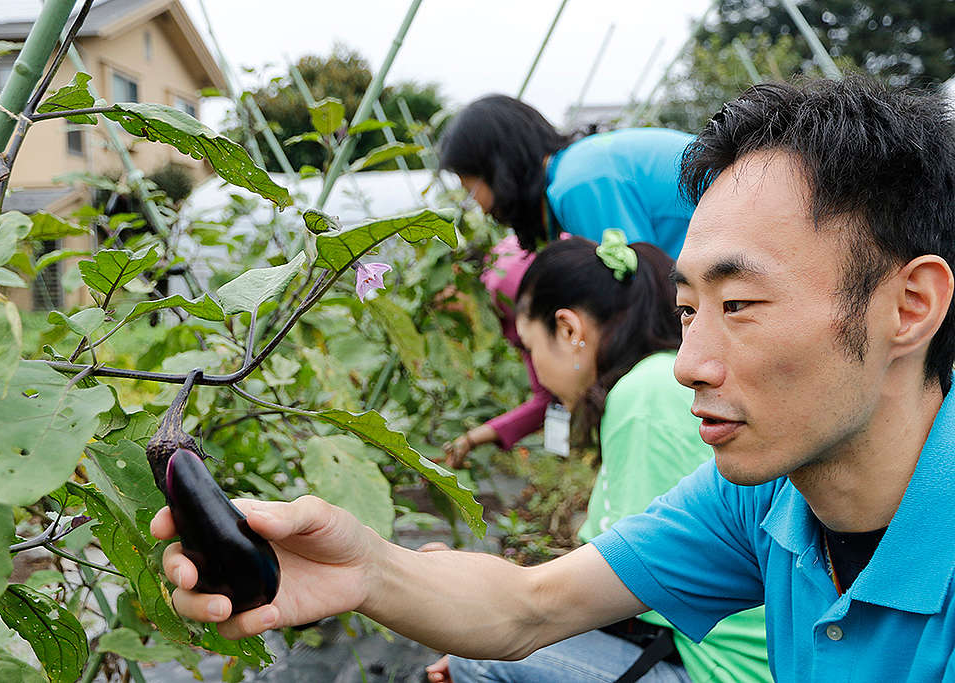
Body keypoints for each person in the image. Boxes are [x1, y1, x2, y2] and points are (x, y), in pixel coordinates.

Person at [153, 77, 955, 680]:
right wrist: (365, 567)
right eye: (684, 311)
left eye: (738, 303)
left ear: (908, 306)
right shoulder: (764, 496)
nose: (687, 364)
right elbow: (530, 604)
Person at [432, 232, 771, 681]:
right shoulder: (659, 381)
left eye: (531, 350)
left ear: (569, 330)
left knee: (474, 657)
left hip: (717, 668)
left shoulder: (641, 398)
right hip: (711, 647)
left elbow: (626, 588)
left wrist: (472, 586)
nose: (535, 373)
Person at [438, 95, 696, 463]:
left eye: (470, 187)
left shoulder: (577, 184)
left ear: (497, 166)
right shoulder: (574, 172)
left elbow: (642, 297)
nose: (477, 204)